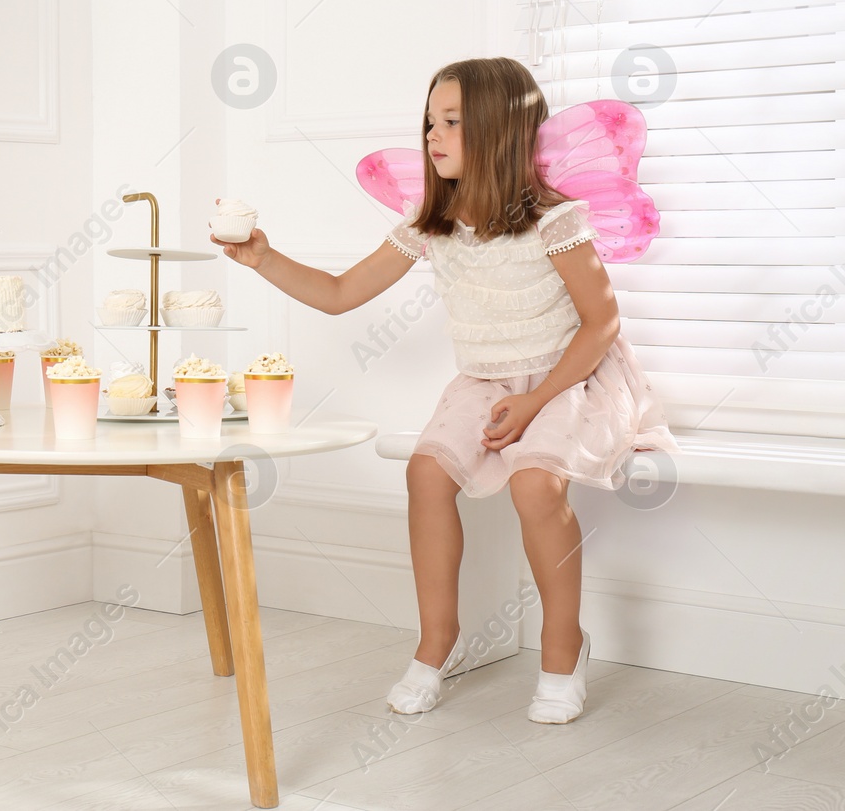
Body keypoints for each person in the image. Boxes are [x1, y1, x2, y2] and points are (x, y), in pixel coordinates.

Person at [214, 56, 678, 724]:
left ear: (498, 130)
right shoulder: (431, 221)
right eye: (431, 120)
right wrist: (263, 257)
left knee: (534, 483)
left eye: (453, 121)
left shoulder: (554, 219)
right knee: (426, 472)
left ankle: (562, 646)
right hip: (488, 378)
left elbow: (602, 323)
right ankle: (437, 643)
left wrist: (535, 400)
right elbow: (342, 293)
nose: (433, 134)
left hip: (570, 374)